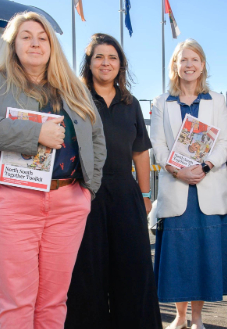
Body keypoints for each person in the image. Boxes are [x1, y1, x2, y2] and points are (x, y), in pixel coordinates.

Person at [0, 11, 106, 329]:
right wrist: (35, 135)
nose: (35, 43)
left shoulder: (75, 88)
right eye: (26, 36)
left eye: (43, 37)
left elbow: (97, 139)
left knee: (54, 301)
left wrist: (88, 189)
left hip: (68, 203)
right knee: (17, 302)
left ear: (52, 46)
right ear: (13, 44)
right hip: (13, 201)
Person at [65, 34, 161, 329]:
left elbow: (140, 152)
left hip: (124, 191)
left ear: (121, 65)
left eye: (112, 58)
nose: (105, 63)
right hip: (84, 191)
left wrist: (145, 195)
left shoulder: (130, 103)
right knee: (87, 271)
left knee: (133, 269)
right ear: (89, 62)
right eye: (99, 57)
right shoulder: (75, 98)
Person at [150, 39, 227, 329]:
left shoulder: (216, 100)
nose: (189, 65)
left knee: (202, 256)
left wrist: (204, 166)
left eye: (194, 60)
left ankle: (198, 318)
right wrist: (180, 172)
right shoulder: (161, 102)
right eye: (183, 60)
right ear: (174, 66)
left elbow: (225, 140)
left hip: (209, 187)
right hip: (176, 190)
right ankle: (179, 316)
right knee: (180, 259)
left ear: (202, 65)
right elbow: (158, 146)